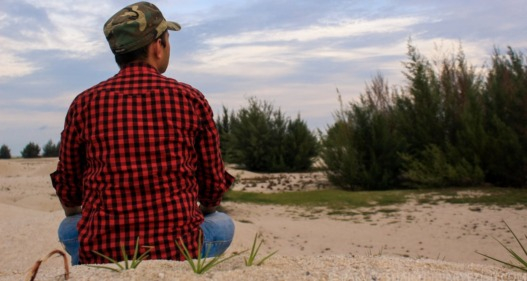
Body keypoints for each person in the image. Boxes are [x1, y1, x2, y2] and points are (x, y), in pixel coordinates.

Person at [51, 1, 235, 265]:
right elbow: (212, 188)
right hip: (180, 249)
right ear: (157, 46)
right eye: (167, 39)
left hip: (101, 252)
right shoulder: (190, 99)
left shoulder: (84, 103)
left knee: (68, 227)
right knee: (223, 222)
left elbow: (69, 192)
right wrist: (203, 210)